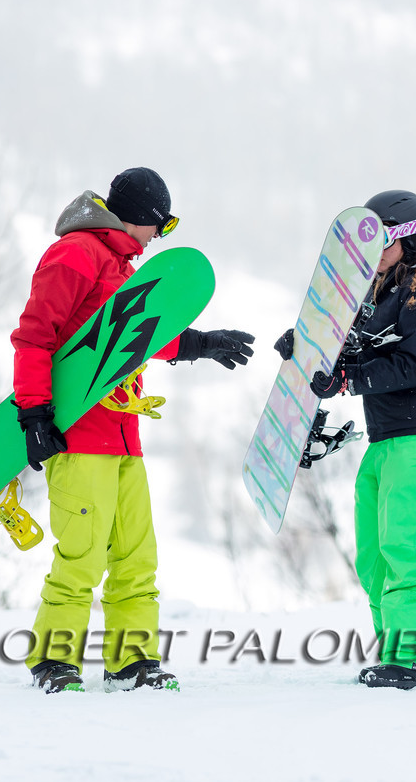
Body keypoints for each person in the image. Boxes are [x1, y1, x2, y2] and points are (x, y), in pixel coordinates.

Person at [13, 167, 255, 694]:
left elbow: (134, 338)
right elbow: (34, 338)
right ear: (141, 219)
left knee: (135, 558)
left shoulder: (120, 268)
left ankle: (131, 661)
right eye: (160, 228)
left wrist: (200, 344)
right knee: (83, 556)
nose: (156, 240)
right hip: (79, 437)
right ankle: (53, 661)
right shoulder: (75, 255)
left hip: (124, 435)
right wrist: (34, 414)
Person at [276, 190, 416, 689]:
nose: (369, 252)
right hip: (387, 439)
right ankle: (395, 651)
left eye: (379, 240)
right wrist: (304, 349)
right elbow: (347, 351)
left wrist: (346, 381)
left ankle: (413, 660)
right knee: (373, 556)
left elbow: (411, 365)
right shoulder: (378, 294)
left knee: (404, 550)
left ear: (408, 238)